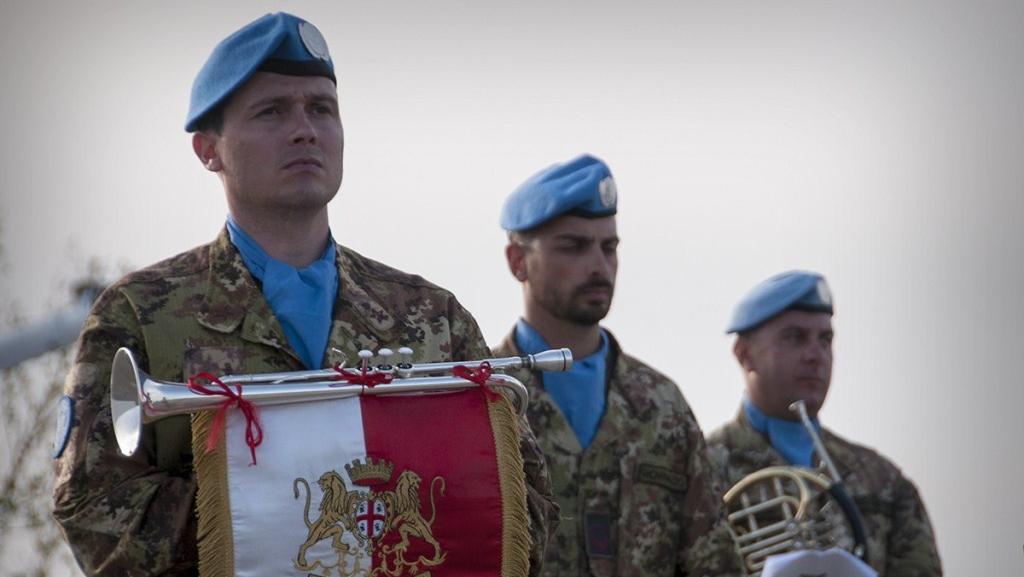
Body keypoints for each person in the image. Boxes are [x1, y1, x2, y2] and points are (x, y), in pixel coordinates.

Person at [52, 13, 556, 576]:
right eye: (272, 112)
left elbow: (530, 507)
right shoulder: (139, 313)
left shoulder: (432, 314)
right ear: (208, 149)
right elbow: (92, 510)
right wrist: (264, 511)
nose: (305, 129)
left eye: (322, 109)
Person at [492, 154, 744, 577]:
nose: (598, 266)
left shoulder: (663, 406)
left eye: (609, 247)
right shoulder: (486, 395)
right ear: (518, 261)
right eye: (574, 246)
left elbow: (713, 563)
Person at [706, 270, 942, 576]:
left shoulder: (883, 481)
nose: (816, 356)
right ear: (745, 354)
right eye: (795, 338)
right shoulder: (701, 468)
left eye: (825, 339)